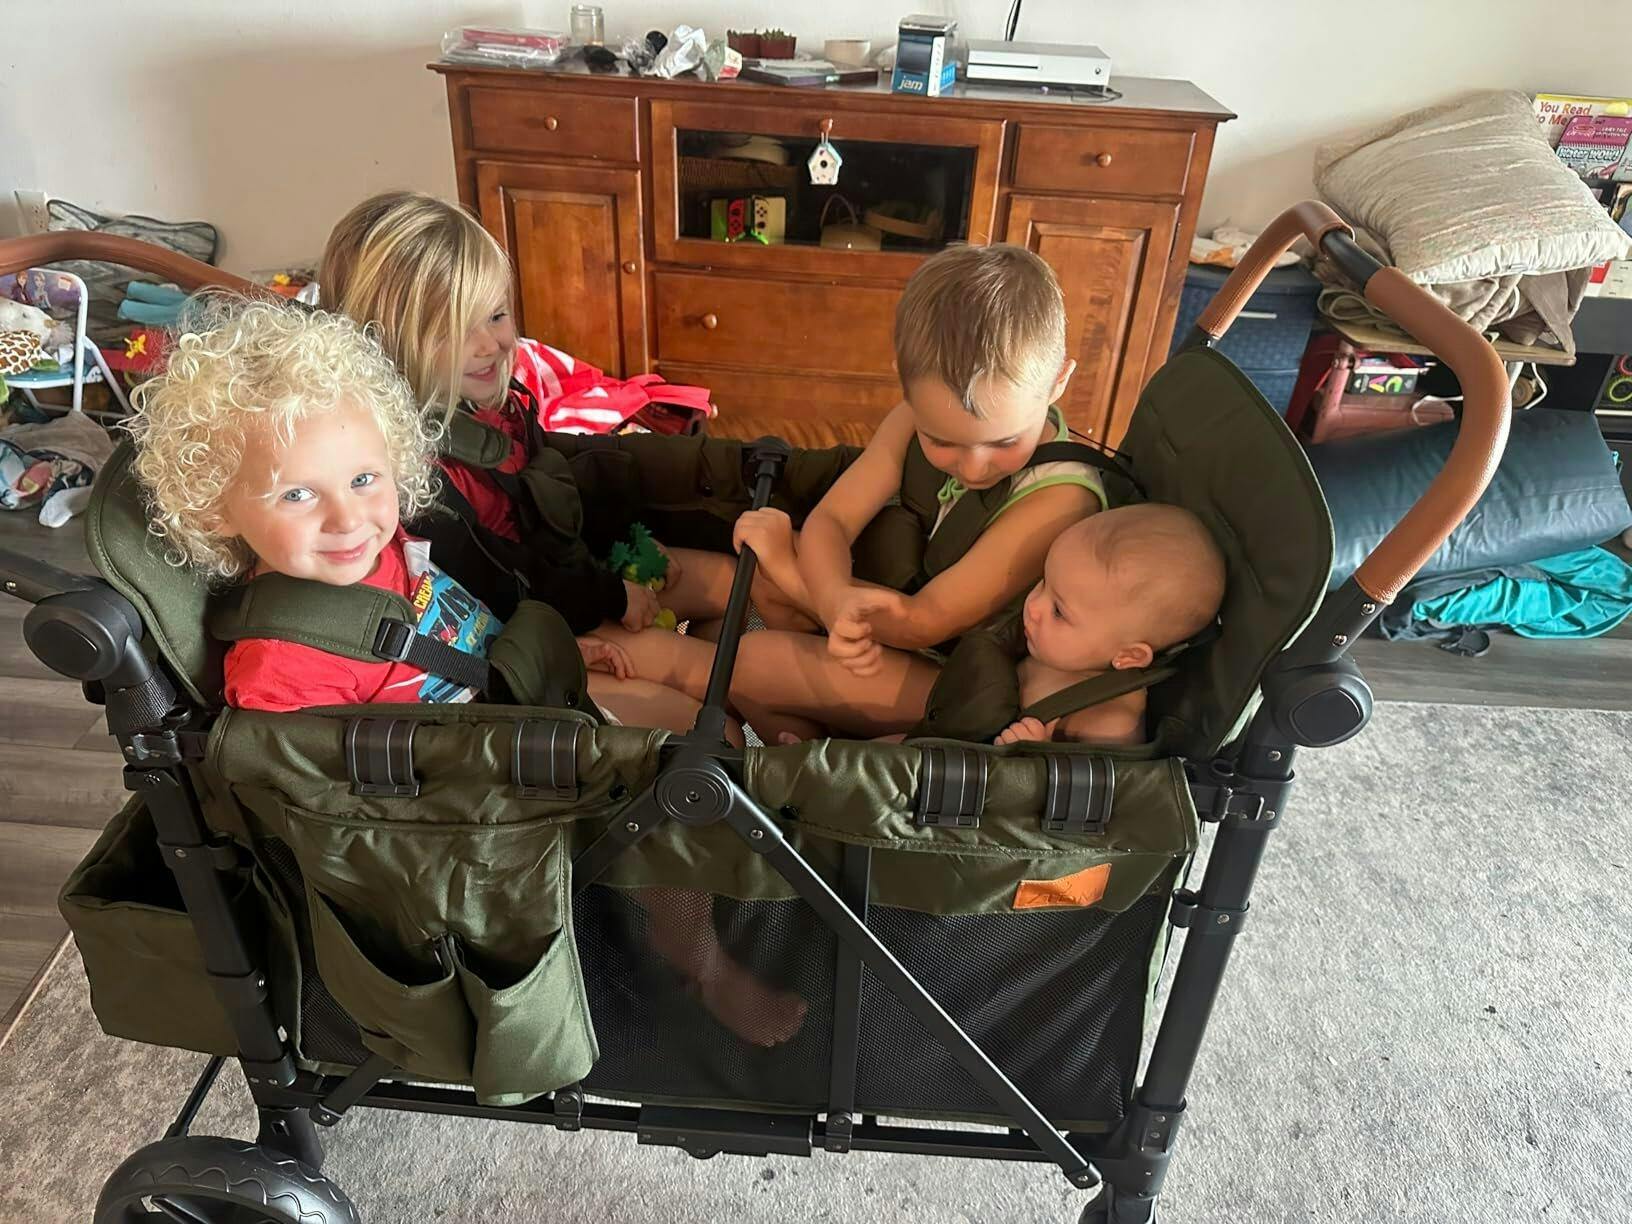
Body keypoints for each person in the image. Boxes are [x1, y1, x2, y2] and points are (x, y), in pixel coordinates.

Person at [128, 299, 806, 1046]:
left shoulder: (381, 550)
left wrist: (547, 651)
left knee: (712, 729)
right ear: (217, 508)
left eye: (364, 479)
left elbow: (444, 628)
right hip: (485, 801)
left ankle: (714, 880)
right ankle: (694, 953)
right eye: (297, 494)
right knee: (685, 774)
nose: (347, 519)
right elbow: (323, 813)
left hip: (508, 703)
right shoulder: (280, 665)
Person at [318, 191, 741, 640]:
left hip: (574, 574)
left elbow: (548, 491)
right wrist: (611, 595)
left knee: (738, 586)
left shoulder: (496, 407)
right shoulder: (415, 477)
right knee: (716, 665)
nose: (491, 344)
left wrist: (619, 539)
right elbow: (498, 577)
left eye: (496, 315)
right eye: (456, 331)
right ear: (388, 344)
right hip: (537, 621)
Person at [723, 243, 1107, 738]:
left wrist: (795, 577)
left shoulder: (1061, 498)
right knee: (764, 594)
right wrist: (833, 595)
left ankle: (831, 756)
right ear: (905, 386)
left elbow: (924, 622)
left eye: (1004, 442)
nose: (973, 467)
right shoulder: (917, 412)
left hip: (970, 686)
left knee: (750, 662)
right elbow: (832, 522)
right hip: (907, 629)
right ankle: (816, 748)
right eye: (941, 441)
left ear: (1058, 382)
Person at [734, 504, 1227, 747]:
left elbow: (1084, 807)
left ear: (1129, 657)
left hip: (961, 779)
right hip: (955, 712)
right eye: (1043, 584)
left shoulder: (1109, 719)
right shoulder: (1076, 644)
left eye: (1059, 611)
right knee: (880, 747)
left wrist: (1037, 758)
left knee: (893, 764)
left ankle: (816, 775)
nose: (1033, 607)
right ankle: (814, 758)